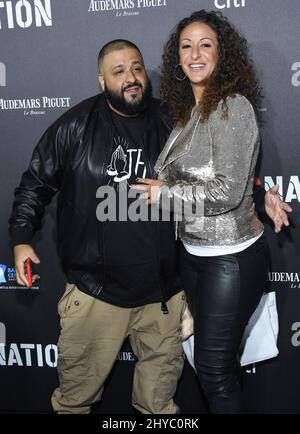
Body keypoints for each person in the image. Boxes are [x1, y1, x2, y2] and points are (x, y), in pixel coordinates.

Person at [9, 39, 290, 415]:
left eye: (137, 68)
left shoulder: (174, 120)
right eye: (119, 71)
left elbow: (215, 182)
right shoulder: (74, 126)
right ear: (101, 79)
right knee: (73, 404)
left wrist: (259, 200)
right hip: (96, 295)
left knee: (157, 406)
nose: (131, 78)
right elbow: (34, 184)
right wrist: (21, 239)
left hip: (164, 297)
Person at [134, 10, 292, 414]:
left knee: (213, 369)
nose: (195, 53)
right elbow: (234, 179)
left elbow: (225, 190)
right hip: (195, 257)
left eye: (206, 44)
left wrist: (165, 194)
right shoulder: (189, 112)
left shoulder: (232, 107)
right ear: (177, 58)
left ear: (223, 55)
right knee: (212, 364)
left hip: (231, 261)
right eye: (186, 46)